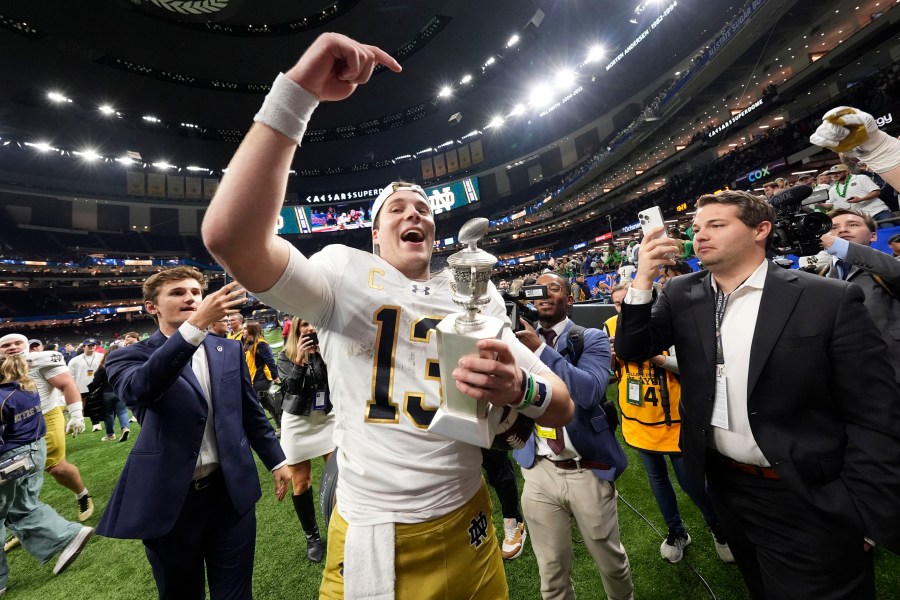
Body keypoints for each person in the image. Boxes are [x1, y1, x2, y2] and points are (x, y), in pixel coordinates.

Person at [201, 32, 574, 599]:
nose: (414, 212)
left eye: (423, 209)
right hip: (379, 530)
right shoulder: (341, 276)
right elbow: (229, 235)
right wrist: (298, 94)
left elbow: (560, 403)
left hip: (471, 517)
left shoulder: (471, 293)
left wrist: (521, 389)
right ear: (377, 236)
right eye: (397, 208)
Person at [615, 189, 900, 598]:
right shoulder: (682, 294)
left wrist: (865, 513)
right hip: (728, 488)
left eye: (716, 225)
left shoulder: (826, 298)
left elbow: (875, 413)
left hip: (808, 492)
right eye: (696, 228)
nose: (701, 235)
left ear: (760, 230)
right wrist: (642, 278)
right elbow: (631, 348)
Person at [96, 267, 291, 599]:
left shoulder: (227, 350)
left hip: (230, 495)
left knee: (236, 593)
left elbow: (248, 412)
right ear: (151, 307)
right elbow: (142, 389)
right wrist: (196, 325)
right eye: (177, 293)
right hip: (172, 501)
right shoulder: (129, 356)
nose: (190, 298)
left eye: (195, 293)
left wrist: (276, 460)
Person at [512, 273, 632, 600]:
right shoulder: (515, 340)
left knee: (611, 563)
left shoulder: (590, 337)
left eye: (555, 288)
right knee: (551, 573)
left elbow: (591, 392)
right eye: (538, 290)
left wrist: (541, 351)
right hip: (538, 470)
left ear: (570, 298)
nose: (545, 294)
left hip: (586, 470)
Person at [606, 284, 732, 564]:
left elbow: (696, 365)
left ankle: (719, 528)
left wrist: (656, 357)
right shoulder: (611, 327)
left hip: (676, 420)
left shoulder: (671, 322)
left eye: (626, 302)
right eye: (617, 304)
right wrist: (612, 359)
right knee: (658, 481)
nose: (622, 309)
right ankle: (676, 532)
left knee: (693, 484)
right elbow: (613, 376)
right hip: (638, 420)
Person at [0, 353, 94, 589]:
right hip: (34, 452)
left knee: (16, 508)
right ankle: (67, 535)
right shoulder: (28, 388)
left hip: (9, 459)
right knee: (21, 507)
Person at [0, 334, 92, 522]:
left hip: (44, 415)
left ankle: (82, 494)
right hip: (10, 422)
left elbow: (67, 384)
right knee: (13, 475)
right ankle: (24, 518)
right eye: (6, 345)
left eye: (18, 343)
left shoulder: (40, 360)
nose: (12, 347)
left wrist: (76, 414)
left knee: (56, 467)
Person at [818, 209, 900, 384]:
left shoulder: (890, 265)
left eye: (853, 225)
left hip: (892, 369)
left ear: (873, 236)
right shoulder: (819, 276)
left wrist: (838, 245)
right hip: (846, 377)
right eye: (833, 227)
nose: (842, 230)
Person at [277, 318, 334, 563]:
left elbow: (331, 381)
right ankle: (312, 536)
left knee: (339, 473)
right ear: (296, 330)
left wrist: (321, 355)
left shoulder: (327, 348)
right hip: (297, 422)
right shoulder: (285, 356)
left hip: (327, 418)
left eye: (312, 324)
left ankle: (343, 524)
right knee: (301, 482)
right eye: (304, 325)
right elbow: (291, 388)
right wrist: (300, 359)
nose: (309, 328)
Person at [241, 320, 281, 434]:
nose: (242, 331)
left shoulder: (261, 343)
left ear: (251, 330)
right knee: (267, 403)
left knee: (255, 405)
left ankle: (268, 428)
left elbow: (270, 361)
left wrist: (276, 377)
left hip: (261, 380)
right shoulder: (248, 344)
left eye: (245, 328)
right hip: (253, 379)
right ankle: (279, 425)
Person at [85, 348, 130, 442]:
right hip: (119, 391)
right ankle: (125, 428)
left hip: (106, 394)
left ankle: (110, 435)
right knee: (122, 411)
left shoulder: (102, 367)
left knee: (108, 414)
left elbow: (95, 383)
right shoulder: (123, 364)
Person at [67, 339, 104, 433]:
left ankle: (96, 424)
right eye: (89, 345)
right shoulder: (75, 360)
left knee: (96, 406)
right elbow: (71, 375)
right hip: (81, 387)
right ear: (84, 347)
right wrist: (73, 388)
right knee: (81, 407)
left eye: (93, 345)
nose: (92, 347)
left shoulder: (101, 357)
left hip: (97, 386)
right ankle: (79, 424)